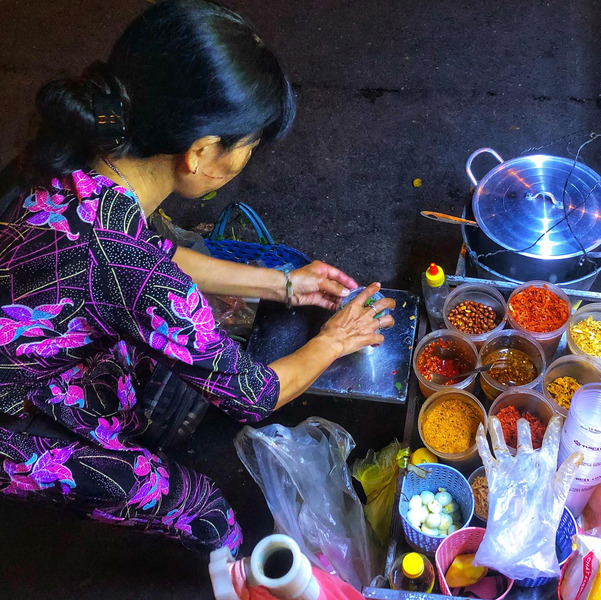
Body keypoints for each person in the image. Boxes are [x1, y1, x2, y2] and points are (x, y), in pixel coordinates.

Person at [0, 0, 395, 555]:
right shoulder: (134, 271)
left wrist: (284, 283)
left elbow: (153, 255)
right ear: (203, 152)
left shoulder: (75, 151)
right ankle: (230, 567)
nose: (246, 159)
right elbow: (254, 396)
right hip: (8, 423)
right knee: (202, 508)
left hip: (28, 337)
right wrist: (335, 340)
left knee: (134, 384)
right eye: (248, 147)